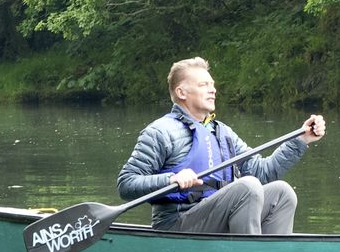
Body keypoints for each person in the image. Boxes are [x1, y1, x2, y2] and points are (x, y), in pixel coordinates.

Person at [117, 57, 325, 233]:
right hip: (177, 224)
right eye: (203, 85)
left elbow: (263, 172)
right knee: (247, 186)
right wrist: (171, 179)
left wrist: (301, 140)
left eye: (212, 85)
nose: (212, 90)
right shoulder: (160, 131)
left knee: (282, 192)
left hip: (216, 218)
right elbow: (126, 183)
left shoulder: (222, 132)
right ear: (181, 93)